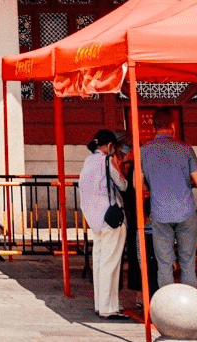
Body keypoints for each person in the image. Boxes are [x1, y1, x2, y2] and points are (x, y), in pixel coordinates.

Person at [140, 108, 197, 288]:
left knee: (163, 263)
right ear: (172, 126)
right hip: (185, 211)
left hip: (159, 212)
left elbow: (138, 185)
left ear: (155, 126)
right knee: (188, 261)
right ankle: (189, 306)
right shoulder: (185, 148)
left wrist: (152, 185)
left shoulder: (144, 151)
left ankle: (167, 307)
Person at [78, 129, 129, 320]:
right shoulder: (107, 161)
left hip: (95, 219)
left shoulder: (88, 161)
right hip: (111, 218)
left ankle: (101, 304)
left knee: (99, 262)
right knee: (111, 263)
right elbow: (122, 185)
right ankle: (109, 307)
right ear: (109, 146)